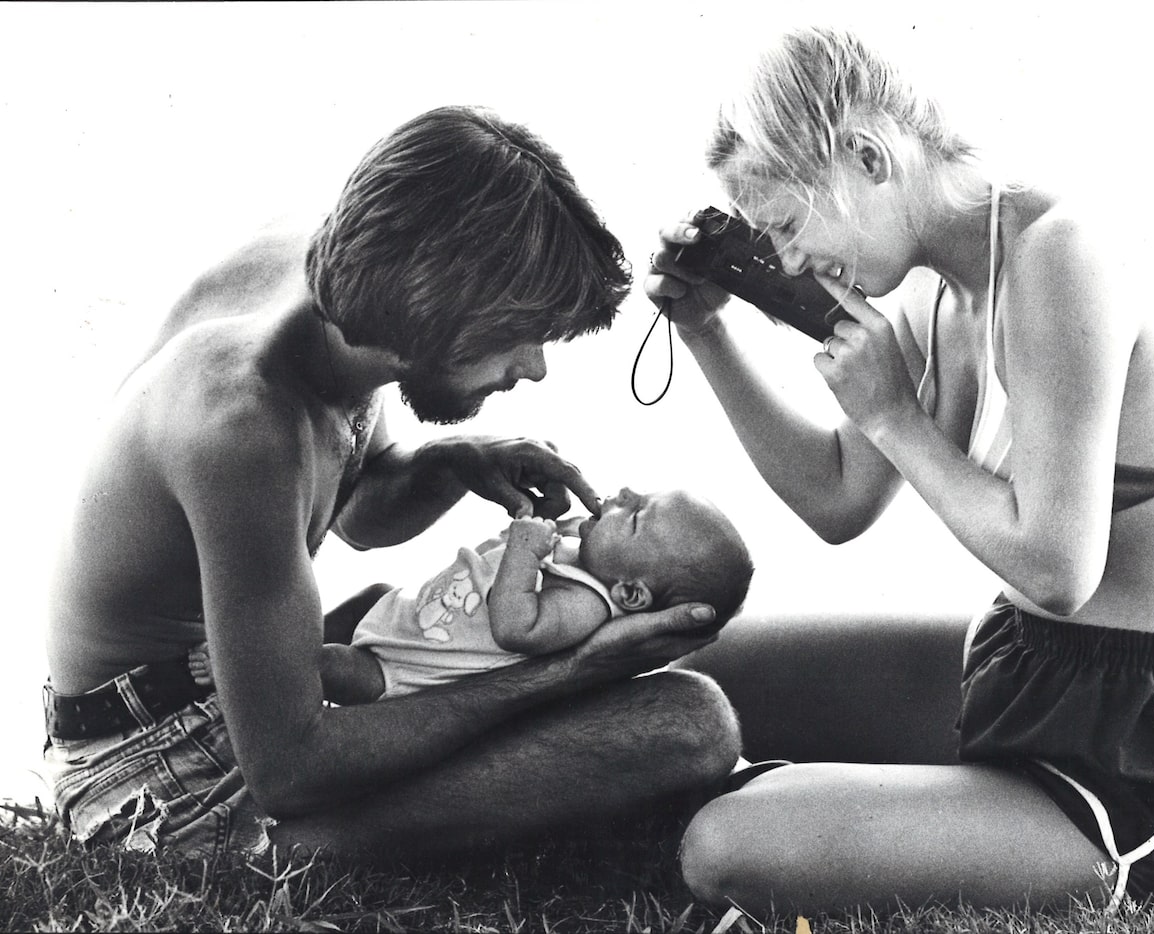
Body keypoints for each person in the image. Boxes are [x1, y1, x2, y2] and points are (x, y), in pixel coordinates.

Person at [646, 27, 1154, 912]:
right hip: (1022, 668)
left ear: (866, 154)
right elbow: (839, 498)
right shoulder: (930, 285)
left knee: (727, 843)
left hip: (1147, 753)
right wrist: (706, 331)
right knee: (696, 674)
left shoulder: (1058, 255)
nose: (787, 262)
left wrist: (894, 418)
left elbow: (1060, 570)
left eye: (787, 224)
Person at [43, 104, 742, 861]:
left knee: (668, 668)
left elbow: (356, 510)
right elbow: (288, 768)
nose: (533, 366)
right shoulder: (240, 424)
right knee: (686, 722)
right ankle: (291, 853)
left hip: (226, 685)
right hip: (147, 768)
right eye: (521, 334)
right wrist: (569, 674)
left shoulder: (332, 293)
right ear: (435, 313)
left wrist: (453, 461)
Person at [188, 489, 754, 705]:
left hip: (410, 674)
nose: (624, 494)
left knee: (329, 666)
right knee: (369, 596)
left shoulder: (588, 607)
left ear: (631, 594)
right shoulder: (592, 557)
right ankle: (272, 651)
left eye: (634, 517)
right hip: (413, 622)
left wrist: (528, 553)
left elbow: (516, 626)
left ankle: (241, 667)